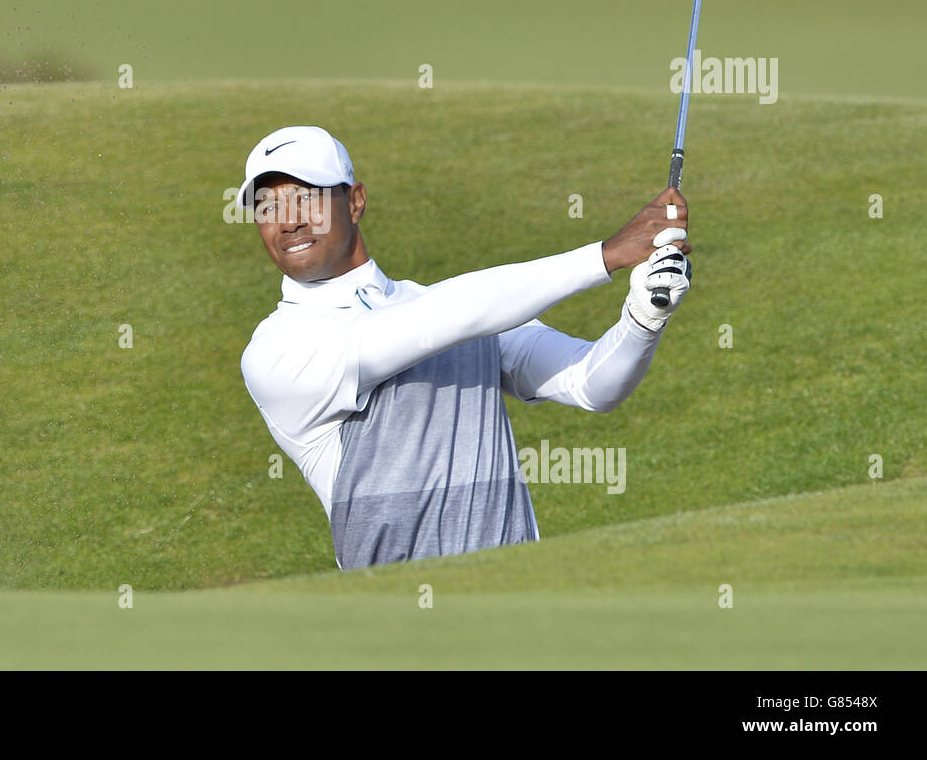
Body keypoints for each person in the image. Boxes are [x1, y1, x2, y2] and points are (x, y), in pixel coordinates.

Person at [235, 125, 692, 570]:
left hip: (516, 608)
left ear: (355, 202)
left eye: (307, 198)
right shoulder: (277, 350)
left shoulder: (449, 310)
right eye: (268, 206)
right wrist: (606, 254)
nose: (288, 221)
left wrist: (642, 318)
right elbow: (446, 318)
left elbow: (592, 384)